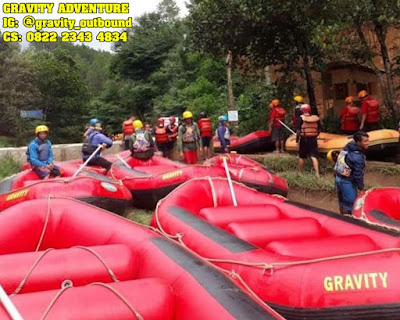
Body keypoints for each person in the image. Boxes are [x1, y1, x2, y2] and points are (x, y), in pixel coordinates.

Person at [335, 131, 369, 215]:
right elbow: (358, 174)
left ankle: (341, 219)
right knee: (350, 205)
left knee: (342, 203)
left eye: (368, 140)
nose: (368, 143)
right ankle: (348, 223)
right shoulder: (357, 157)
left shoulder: (348, 147)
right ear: (358, 142)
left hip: (338, 178)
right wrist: (361, 188)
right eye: (365, 141)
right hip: (347, 182)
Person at [296, 104, 322, 178]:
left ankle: (300, 173)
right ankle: (317, 174)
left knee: (302, 156)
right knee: (314, 156)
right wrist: (315, 135)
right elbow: (319, 129)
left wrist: (297, 140)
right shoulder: (315, 118)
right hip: (313, 139)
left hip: (304, 139)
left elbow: (298, 131)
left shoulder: (300, 118)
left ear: (302, 110)